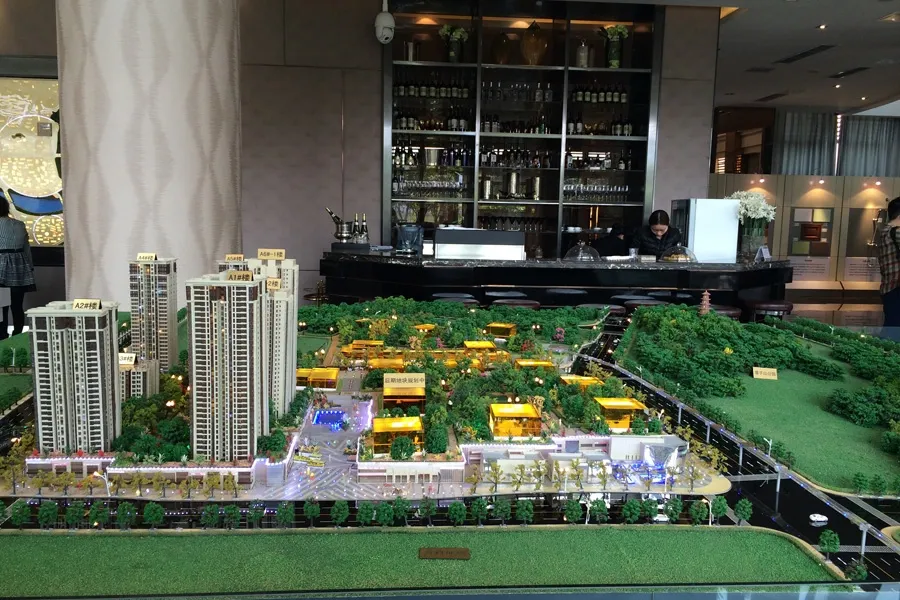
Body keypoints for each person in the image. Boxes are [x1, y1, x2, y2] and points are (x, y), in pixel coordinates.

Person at [0, 198, 35, 339]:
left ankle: (2, 337)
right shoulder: (20, 224)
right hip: (19, 267)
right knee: (17, 305)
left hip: (1, 268)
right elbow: (27, 249)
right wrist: (30, 268)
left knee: (2, 306)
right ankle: (18, 336)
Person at [879, 196, 900, 333]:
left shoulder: (886, 230)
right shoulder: (897, 231)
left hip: (889, 288)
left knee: (891, 328)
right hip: (897, 289)